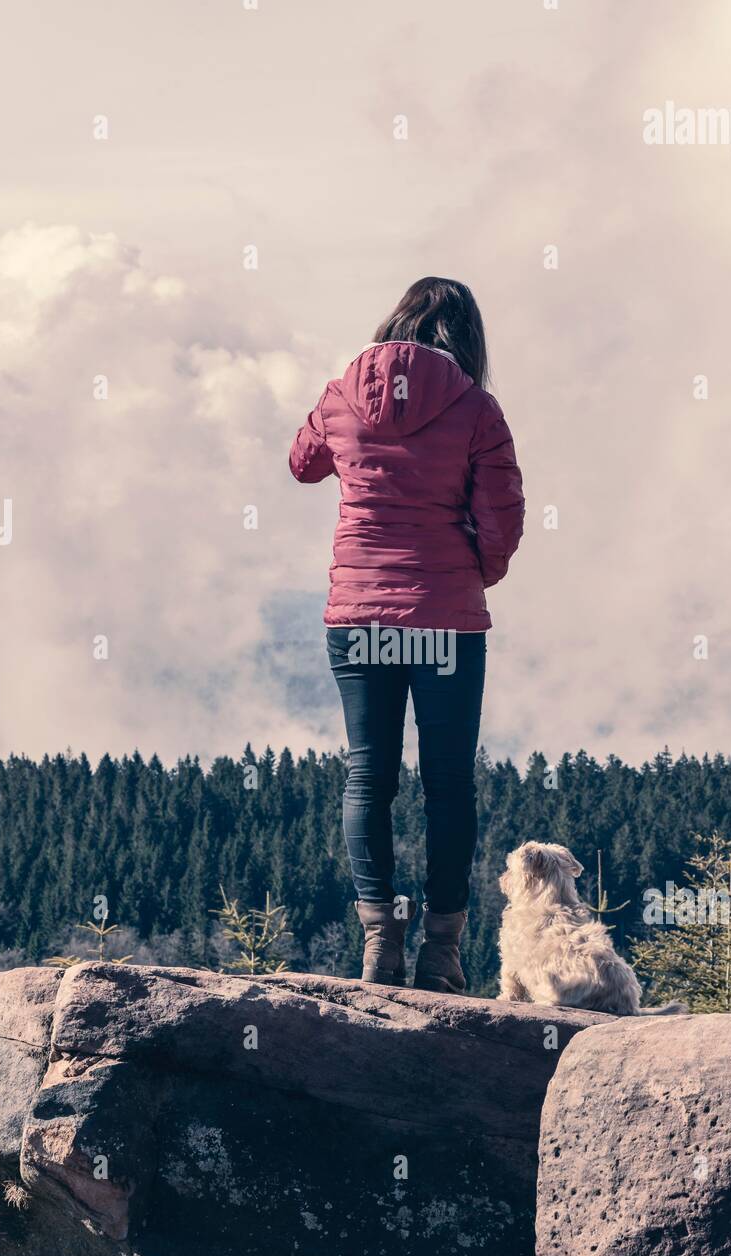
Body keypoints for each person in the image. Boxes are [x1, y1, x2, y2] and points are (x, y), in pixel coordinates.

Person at [289, 276, 524, 992]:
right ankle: (441, 953)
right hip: (445, 621)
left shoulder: (340, 393)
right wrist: (471, 572)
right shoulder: (476, 408)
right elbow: (504, 520)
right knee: (446, 782)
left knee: (370, 774)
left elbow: (302, 464)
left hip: (359, 619)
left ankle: (377, 945)